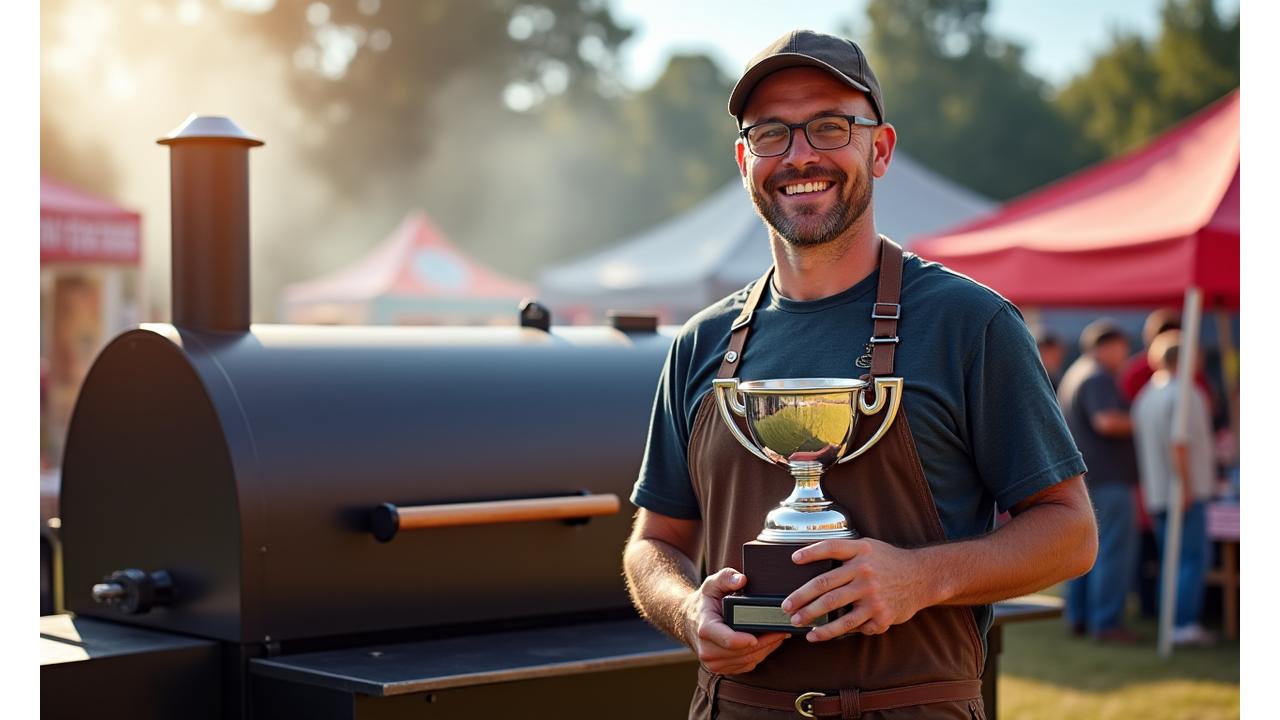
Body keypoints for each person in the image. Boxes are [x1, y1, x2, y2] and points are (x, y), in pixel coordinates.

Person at [621, 29, 1097, 719]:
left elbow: (1071, 531)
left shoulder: (970, 323)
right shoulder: (701, 342)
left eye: (829, 126)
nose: (800, 154)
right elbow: (652, 543)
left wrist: (917, 578)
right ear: (743, 160)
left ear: (879, 148)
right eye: (771, 134)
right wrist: (689, 609)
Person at [1131, 330, 1217, 646]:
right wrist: (1187, 487)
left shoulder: (1146, 395)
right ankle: (1182, 623)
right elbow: (1179, 445)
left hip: (1157, 491)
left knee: (1173, 560)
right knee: (1192, 559)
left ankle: (1172, 621)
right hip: (1182, 491)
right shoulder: (1185, 393)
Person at [1058, 319, 1140, 643]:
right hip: (1107, 479)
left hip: (1088, 477)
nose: (1126, 354)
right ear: (1107, 346)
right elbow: (1106, 421)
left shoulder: (1076, 373)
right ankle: (1106, 623)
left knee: (1085, 551)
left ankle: (1080, 617)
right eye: (1122, 347)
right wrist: (1143, 421)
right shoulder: (1096, 377)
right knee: (1112, 551)